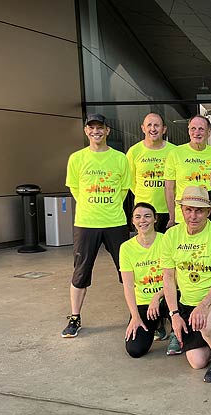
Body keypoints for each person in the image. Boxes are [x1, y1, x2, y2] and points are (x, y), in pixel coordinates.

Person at [61, 113, 131, 338]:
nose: (96, 131)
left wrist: (109, 207)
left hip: (115, 222)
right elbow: (75, 189)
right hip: (86, 223)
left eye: (100, 127)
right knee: (81, 271)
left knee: (127, 270)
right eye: (91, 128)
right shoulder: (77, 158)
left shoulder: (120, 158)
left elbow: (123, 189)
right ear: (86, 131)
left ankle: (136, 313)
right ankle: (74, 317)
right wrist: (91, 206)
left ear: (107, 131)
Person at [162, 186, 211, 382]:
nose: (193, 215)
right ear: (182, 210)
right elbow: (168, 277)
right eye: (188, 209)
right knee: (197, 361)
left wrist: (204, 305)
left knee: (207, 322)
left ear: (208, 211)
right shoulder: (171, 236)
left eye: (199, 210)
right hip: (187, 301)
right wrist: (174, 314)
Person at [120, 202, 172, 357]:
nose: (143, 220)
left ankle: (172, 327)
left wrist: (157, 296)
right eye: (138, 217)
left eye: (147, 216)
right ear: (133, 221)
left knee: (188, 333)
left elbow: (175, 277)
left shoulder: (166, 240)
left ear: (155, 219)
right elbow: (128, 286)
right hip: (143, 302)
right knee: (135, 350)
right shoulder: (126, 248)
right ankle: (156, 324)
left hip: (168, 297)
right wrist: (135, 317)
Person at [164, 115, 211, 228]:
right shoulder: (175, 153)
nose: (197, 132)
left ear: (209, 132)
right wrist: (172, 217)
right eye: (193, 128)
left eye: (201, 129)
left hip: (210, 214)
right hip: (184, 216)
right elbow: (169, 188)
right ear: (188, 130)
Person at [126, 113, 175, 232]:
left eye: (157, 125)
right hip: (143, 211)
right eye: (149, 125)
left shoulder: (174, 151)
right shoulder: (134, 151)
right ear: (143, 128)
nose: (153, 129)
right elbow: (129, 180)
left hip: (168, 210)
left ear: (164, 129)